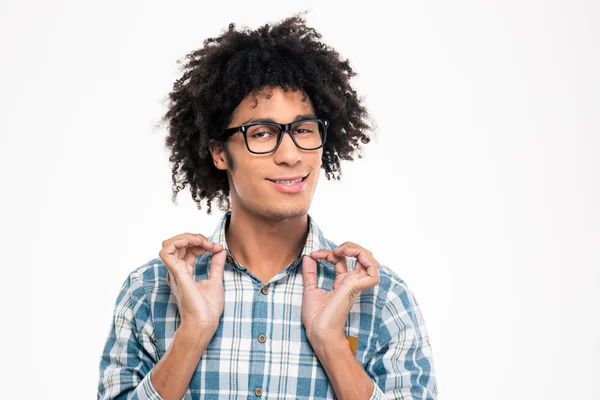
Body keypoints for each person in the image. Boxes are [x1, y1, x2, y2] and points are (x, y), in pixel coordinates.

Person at [97, 13, 438, 400]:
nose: (291, 155)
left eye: (304, 130)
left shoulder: (380, 297)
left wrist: (331, 344)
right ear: (218, 152)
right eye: (262, 133)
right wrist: (191, 335)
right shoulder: (152, 290)